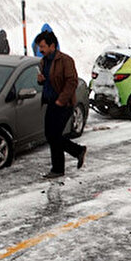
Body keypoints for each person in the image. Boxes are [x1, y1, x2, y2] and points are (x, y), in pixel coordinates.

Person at [35, 31, 86, 179]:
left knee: (54, 136)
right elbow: (48, 81)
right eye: (39, 46)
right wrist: (41, 80)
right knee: (51, 136)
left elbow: (72, 82)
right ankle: (77, 152)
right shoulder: (44, 61)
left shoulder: (65, 60)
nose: (40, 50)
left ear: (52, 45)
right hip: (51, 102)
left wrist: (61, 101)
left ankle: (58, 168)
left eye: (43, 46)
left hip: (64, 104)